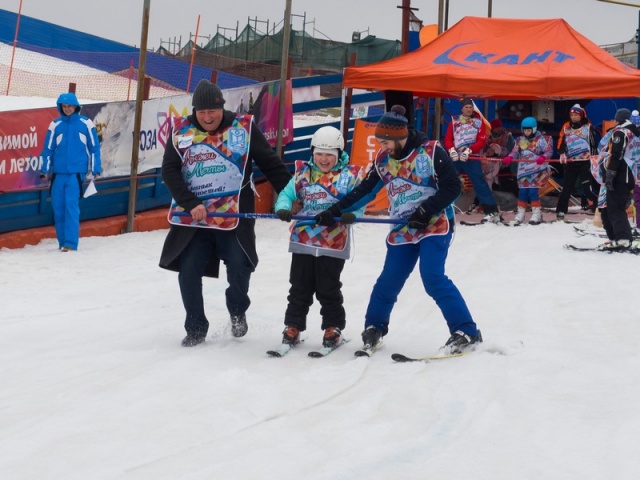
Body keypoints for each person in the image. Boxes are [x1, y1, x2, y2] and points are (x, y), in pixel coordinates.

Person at [315, 105, 482, 354]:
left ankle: (466, 331)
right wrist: (335, 211)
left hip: (434, 224)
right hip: (403, 227)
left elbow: (452, 188)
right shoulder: (383, 160)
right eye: (380, 142)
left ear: (398, 137)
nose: (383, 147)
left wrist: (425, 211)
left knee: (433, 277)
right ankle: (375, 326)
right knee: (389, 280)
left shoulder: (430, 152)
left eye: (385, 142)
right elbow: (365, 190)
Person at [159, 79, 292, 347]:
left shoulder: (242, 127)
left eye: (213, 111)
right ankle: (195, 327)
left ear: (222, 107)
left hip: (234, 215)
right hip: (196, 216)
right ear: (195, 111)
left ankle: (237, 309)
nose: (207, 117)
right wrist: (189, 202)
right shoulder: (181, 131)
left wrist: (291, 198)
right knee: (188, 269)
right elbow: (169, 171)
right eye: (202, 112)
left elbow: (270, 163)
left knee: (240, 267)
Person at [274, 126, 365, 348]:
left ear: (338, 154)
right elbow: (287, 193)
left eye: (329, 155)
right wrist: (283, 207)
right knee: (299, 285)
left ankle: (332, 326)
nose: (324, 160)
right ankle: (293, 325)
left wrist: (351, 215)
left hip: (332, 240)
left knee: (328, 285)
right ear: (313, 153)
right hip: (304, 239)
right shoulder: (304, 173)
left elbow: (359, 201)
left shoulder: (349, 176)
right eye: (319, 154)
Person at [39, 92, 101, 252]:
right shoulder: (55, 125)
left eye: (70, 106)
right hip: (58, 174)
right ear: (60, 107)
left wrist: (96, 168)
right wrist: (44, 170)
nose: (67, 109)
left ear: (76, 106)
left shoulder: (86, 123)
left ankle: (70, 243)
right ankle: (62, 243)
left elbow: (94, 147)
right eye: (64, 106)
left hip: (75, 174)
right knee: (58, 208)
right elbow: (48, 150)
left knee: (71, 207)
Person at [444, 98, 501, 223]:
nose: (469, 109)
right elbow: (448, 139)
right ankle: (441, 210)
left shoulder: (478, 121)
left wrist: (469, 150)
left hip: (471, 157)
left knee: (480, 183)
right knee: (448, 181)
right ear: (462, 109)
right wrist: (452, 150)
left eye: (470, 107)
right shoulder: (454, 121)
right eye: (466, 107)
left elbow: (481, 140)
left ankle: (492, 212)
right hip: (457, 157)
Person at [595, 108, 640, 250]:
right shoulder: (633, 133)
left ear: (618, 119)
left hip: (621, 175)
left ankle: (623, 238)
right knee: (611, 207)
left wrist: (611, 173)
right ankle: (617, 237)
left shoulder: (621, 132)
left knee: (615, 208)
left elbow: (616, 154)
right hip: (628, 175)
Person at [502, 117, 552, 225]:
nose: (527, 132)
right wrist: (509, 157)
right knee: (523, 193)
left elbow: (549, 151)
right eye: (525, 130)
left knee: (532, 192)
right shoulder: (520, 140)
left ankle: (536, 214)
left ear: (534, 129)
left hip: (537, 171)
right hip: (524, 171)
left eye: (529, 130)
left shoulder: (542, 139)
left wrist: (543, 157)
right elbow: (515, 151)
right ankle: (520, 214)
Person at [555, 104, 599, 221]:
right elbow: (561, 142)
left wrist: (594, 159)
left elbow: (594, 144)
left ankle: (599, 208)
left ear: (581, 116)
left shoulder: (588, 127)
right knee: (567, 188)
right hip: (572, 162)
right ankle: (561, 211)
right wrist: (562, 153)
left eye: (576, 115)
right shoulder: (566, 127)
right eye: (572, 115)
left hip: (585, 162)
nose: (573, 117)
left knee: (587, 188)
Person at [466, 118, 516, 212]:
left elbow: (514, 150)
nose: (499, 129)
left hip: (505, 163)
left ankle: (522, 203)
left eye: (499, 127)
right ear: (493, 129)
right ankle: (477, 203)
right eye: (496, 127)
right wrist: (486, 156)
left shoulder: (508, 136)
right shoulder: (489, 137)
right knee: (485, 181)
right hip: (492, 164)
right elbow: (484, 150)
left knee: (509, 184)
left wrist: (508, 158)